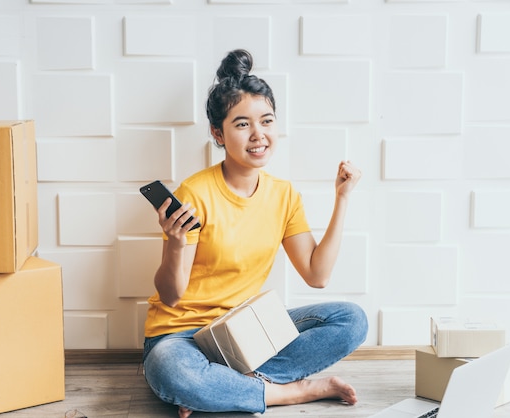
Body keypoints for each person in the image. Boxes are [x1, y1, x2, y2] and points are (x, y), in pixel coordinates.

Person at [142, 49, 368, 418]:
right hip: (179, 336)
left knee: (351, 319)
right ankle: (292, 392)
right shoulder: (195, 193)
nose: (258, 135)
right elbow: (170, 296)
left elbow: (317, 275)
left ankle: (223, 388)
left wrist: (342, 198)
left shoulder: (283, 195)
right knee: (171, 368)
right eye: (242, 124)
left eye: (267, 121)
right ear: (218, 133)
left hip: (246, 333)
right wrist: (175, 241)